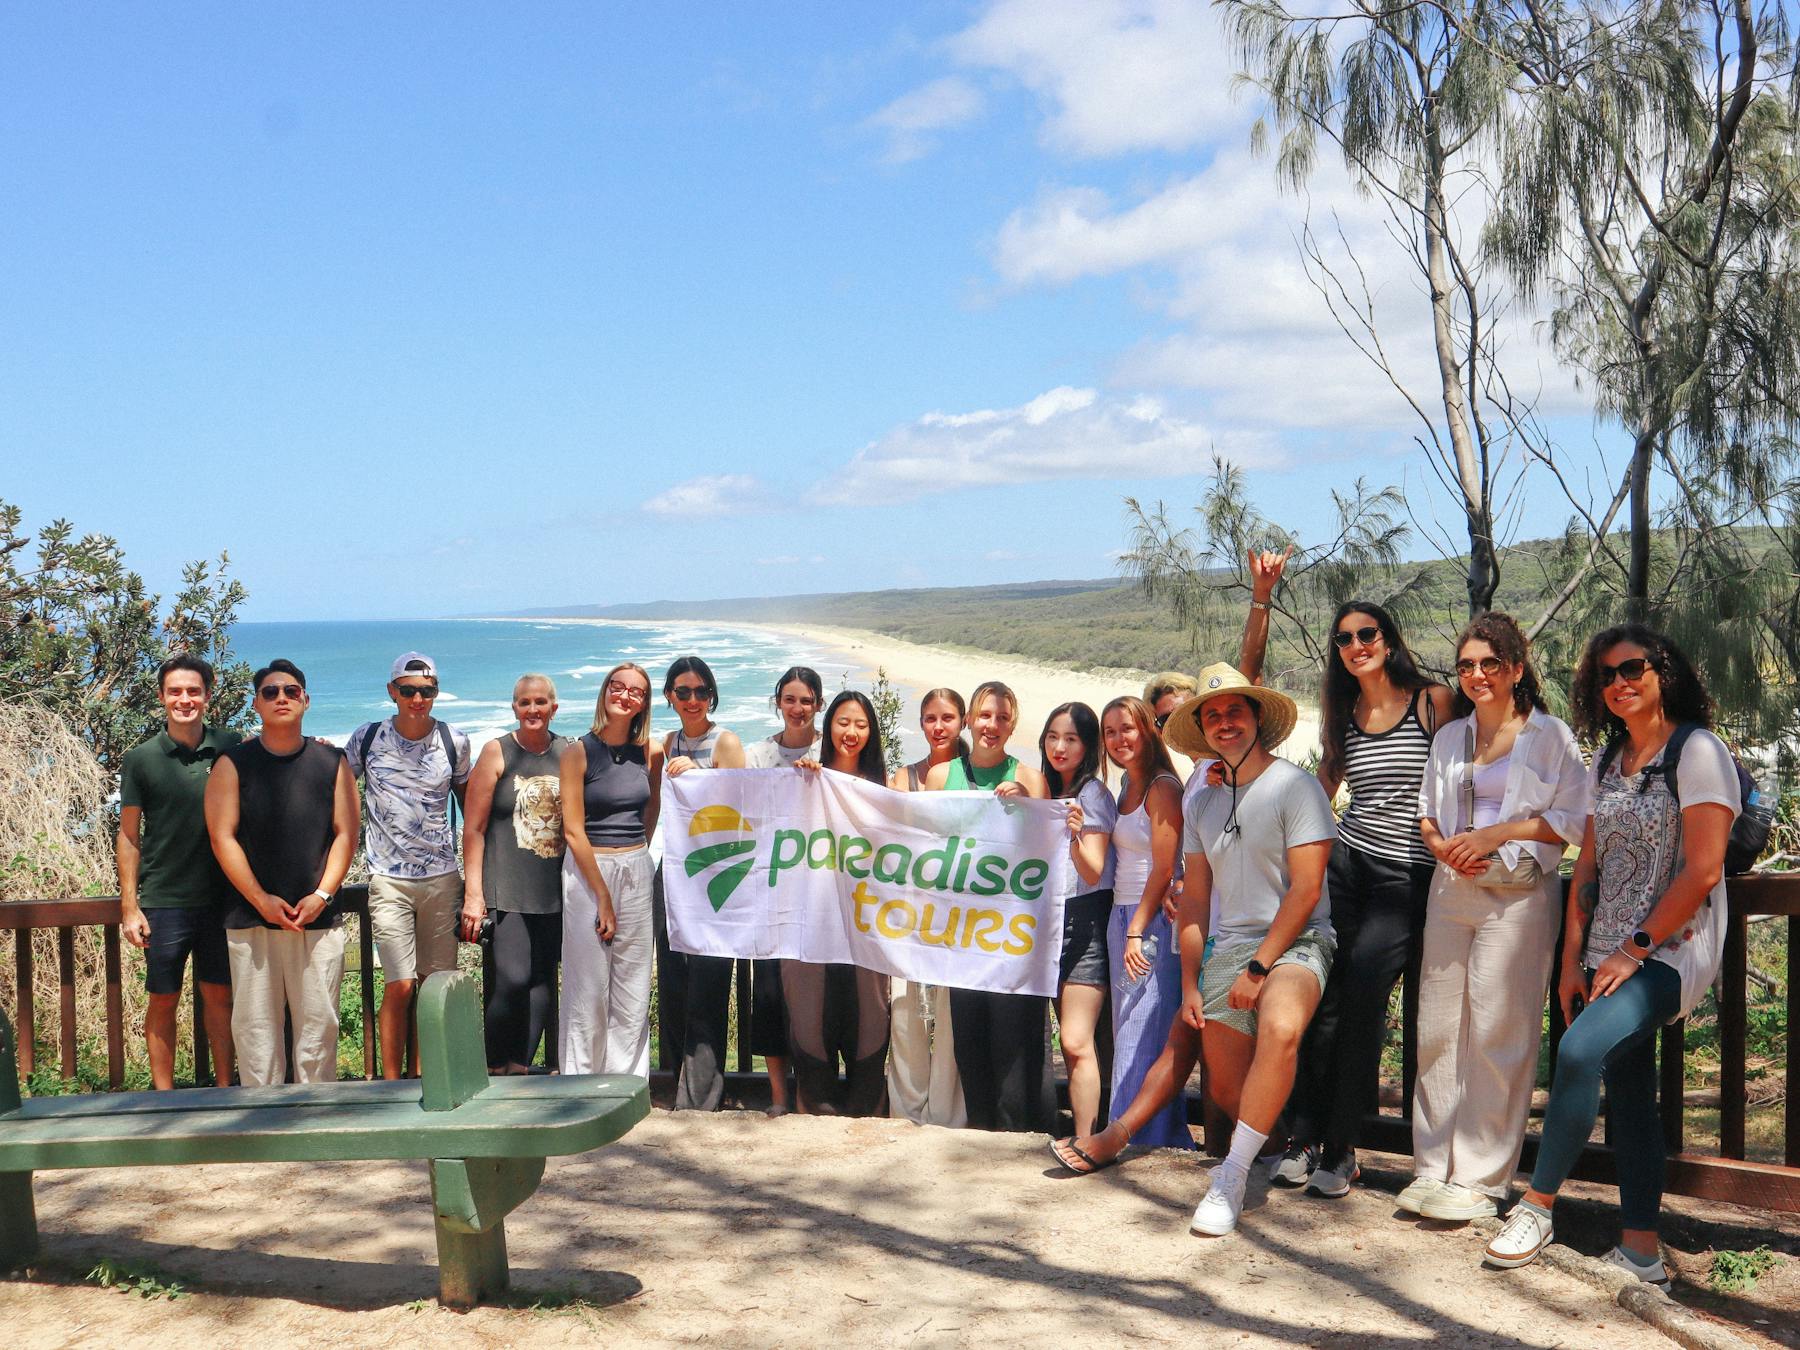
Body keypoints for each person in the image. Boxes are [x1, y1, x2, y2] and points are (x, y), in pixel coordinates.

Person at [1485, 626, 1738, 1283]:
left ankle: (1537, 1208)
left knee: (1576, 1053)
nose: (1619, 683)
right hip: (1606, 948)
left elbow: (1704, 871)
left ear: (1664, 671)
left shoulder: (1697, 752)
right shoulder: (1608, 761)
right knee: (1629, 1090)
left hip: (1668, 951)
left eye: (1633, 669)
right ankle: (1642, 1250)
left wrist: (1634, 949)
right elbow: (1588, 865)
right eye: (1606, 676)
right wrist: (1573, 959)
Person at [1268, 598, 1456, 1197]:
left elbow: (1481, 762)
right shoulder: (1344, 711)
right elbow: (1322, 786)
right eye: (1344, 639)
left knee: (1364, 1003)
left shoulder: (1434, 702)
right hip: (1346, 865)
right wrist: (1249, 785)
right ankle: (1302, 1136)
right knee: (1322, 1000)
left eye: (1367, 633)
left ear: (1389, 638)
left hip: (1407, 876)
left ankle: (1343, 1147)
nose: (1357, 646)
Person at [1410, 612, 1589, 1223]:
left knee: (1498, 1032)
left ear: (1515, 668)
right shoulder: (1449, 737)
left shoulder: (1550, 736)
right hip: (1450, 889)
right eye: (1466, 666)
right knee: (1437, 1029)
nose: (1477, 675)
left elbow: (1570, 820)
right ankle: (1432, 1167)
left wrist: (1494, 835)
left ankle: (1481, 1180)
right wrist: (1449, 850)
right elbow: (1428, 813)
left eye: (1490, 664)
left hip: (1518, 896)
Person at [1174, 664, 1337, 1237]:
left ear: (1257, 719)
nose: (1224, 722)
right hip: (1230, 945)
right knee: (1223, 1088)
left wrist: (1259, 965)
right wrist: (1191, 984)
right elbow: (1194, 903)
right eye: (1212, 715)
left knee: (1282, 1028)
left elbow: (1307, 888)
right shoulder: (1203, 804)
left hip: (1298, 940)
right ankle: (1281, 1146)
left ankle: (1232, 1176)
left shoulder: (1296, 786)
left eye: (1234, 711)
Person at [204, 660, 358, 1086]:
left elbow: (346, 834)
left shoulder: (332, 761)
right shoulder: (232, 763)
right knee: (255, 1030)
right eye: (271, 692)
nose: (281, 699)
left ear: (305, 701)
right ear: (256, 704)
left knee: (319, 1027)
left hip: (317, 919)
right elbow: (223, 838)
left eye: (291, 691)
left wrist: (322, 895)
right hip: (250, 918)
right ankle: (260, 1121)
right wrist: (261, 901)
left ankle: (316, 1117)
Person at [920, 681, 1054, 1131]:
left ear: (1012, 723)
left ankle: (1016, 1140)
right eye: (984, 715)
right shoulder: (941, 777)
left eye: (1001, 717)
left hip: (1010, 939)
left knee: (1013, 1046)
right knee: (970, 1045)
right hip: (960, 936)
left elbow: (1048, 855)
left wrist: (1029, 808)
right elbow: (921, 846)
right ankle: (979, 1140)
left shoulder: (1031, 778)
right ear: (970, 720)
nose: (991, 725)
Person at [117, 654, 243, 1089]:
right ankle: (164, 1099)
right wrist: (130, 908)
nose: (184, 699)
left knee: (220, 998)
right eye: (175, 691)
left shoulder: (233, 746)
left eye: (193, 691)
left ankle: (227, 1093)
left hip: (222, 901)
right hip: (164, 900)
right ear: (161, 697)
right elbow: (129, 837)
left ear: (208, 696)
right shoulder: (141, 759)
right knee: (163, 999)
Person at [345, 652, 472, 1080]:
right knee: (399, 985)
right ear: (392, 691)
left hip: (441, 880)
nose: (418, 698)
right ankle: (391, 1083)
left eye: (427, 690)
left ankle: (429, 1077)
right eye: (408, 690)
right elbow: (335, 791)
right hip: (387, 881)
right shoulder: (367, 738)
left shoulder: (455, 741)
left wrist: (475, 884)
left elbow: (472, 813)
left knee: (434, 990)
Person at [1092, 694, 1194, 1150]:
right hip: (1123, 915)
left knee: (1142, 1029)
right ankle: (1153, 1134)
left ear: (1148, 730)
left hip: (1147, 922)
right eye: (1110, 732)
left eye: (1126, 729)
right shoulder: (1127, 788)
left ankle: (1131, 1139)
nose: (1118, 740)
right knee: (1130, 1026)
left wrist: (1137, 927)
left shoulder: (1161, 787)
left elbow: (1163, 867)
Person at [788, 690, 892, 1115]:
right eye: (843, 722)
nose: (851, 732)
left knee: (868, 1025)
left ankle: (866, 1117)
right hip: (813, 926)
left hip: (868, 929)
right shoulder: (808, 778)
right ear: (829, 726)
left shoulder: (886, 789)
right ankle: (818, 1116)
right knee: (812, 1028)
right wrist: (804, 778)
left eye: (862, 724)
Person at [460, 673, 569, 1074]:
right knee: (511, 980)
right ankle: (486, 1067)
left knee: (542, 982)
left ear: (554, 707)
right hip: (505, 888)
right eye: (525, 703)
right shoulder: (497, 752)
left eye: (541, 702)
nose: (533, 710)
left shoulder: (569, 752)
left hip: (555, 890)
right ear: (514, 708)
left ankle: (519, 1068)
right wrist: (474, 894)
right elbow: (472, 827)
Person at [559, 662, 663, 1077]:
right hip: (588, 871)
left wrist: (638, 853)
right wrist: (603, 895)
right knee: (588, 986)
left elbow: (651, 806)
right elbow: (572, 829)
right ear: (605, 693)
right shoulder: (577, 751)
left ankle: (625, 1084)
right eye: (617, 688)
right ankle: (581, 1084)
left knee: (634, 983)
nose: (625, 695)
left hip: (636, 865)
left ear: (643, 703)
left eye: (635, 691)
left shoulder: (650, 751)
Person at [656, 656, 748, 1111]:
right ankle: (677, 1086)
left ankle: (703, 1096)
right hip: (672, 873)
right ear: (669, 696)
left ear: (712, 695)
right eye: (683, 691)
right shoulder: (666, 742)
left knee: (708, 986)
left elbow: (742, 806)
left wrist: (700, 775)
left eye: (701, 692)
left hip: (716, 877)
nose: (692, 700)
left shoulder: (724, 742)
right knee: (674, 986)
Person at [885, 688, 969, 1128]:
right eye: (931, 718)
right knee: (904, 1012)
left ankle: (947, 1113)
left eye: (948, 718)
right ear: (921, 724)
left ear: (963, 722)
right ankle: (906, 1108)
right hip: (908, 912)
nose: (939, 727)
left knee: (953, 1017)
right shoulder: (905, 776)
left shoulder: (974, 777)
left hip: (962, 919)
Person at [740, 665, 823, 1114]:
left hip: (820, 896)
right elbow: (728, 794)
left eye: (806, 700)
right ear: (778, 703)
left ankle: (811, 1096)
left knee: (812, 1000)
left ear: (819, 705)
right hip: (769, 892)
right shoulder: (757, 754)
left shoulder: (832, 752)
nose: (797, 708)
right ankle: (777, 1095)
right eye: (789, 700)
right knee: (770, 993)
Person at [1040, 702, 1115, 1139]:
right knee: (1072, 1046)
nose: (1059, 746)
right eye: (1052, 736)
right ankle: (1085, 1132)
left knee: (1075, 1040)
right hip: (1046, 922)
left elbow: (1092, 869)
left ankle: (1087, 1139)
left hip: (1084, 922)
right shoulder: (1044, 789)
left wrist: (1072, 835)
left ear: (1087, 746)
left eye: (1070, 738)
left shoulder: (1093, 796)